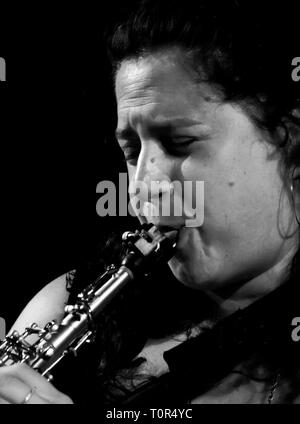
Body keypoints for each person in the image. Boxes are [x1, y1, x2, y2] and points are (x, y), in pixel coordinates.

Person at [1, 0, 299, 404]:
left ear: (289, 139)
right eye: (131, 150)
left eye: (179, 143)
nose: (142, 185)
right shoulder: (66, 300)